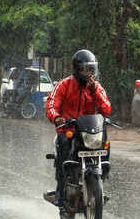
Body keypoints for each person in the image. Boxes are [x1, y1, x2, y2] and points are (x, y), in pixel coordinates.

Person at [45, 49, 111, 207]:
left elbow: (106, 109)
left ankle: (100, 178)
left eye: (91, 69)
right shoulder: (64, 85)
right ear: (76, 69)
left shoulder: (96, 87)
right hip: (68, 130)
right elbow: (51, 105)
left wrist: (94, 92)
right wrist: (57, 118)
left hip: (88, 131)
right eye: (84, 69)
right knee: (63, 153)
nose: (88, 73)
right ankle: (61, 192)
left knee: (105, 143)